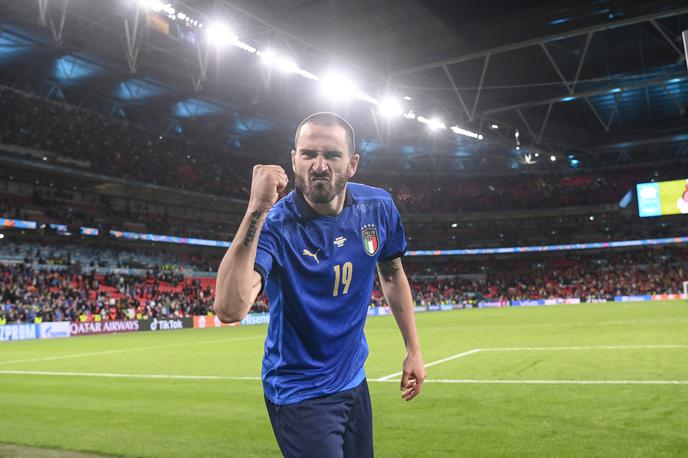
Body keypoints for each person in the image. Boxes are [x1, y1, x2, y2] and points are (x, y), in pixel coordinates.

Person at [214, 112, 425, 457]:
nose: (319, 165)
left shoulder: (378, 207)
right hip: (300, 393)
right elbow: (229, 308)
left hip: (354, 380)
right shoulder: (276, 225)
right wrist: (256, 209)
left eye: (332, 155)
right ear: (294, 160)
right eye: (309, 154)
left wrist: (413, 349)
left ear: (352, 164)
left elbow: (392, 272)